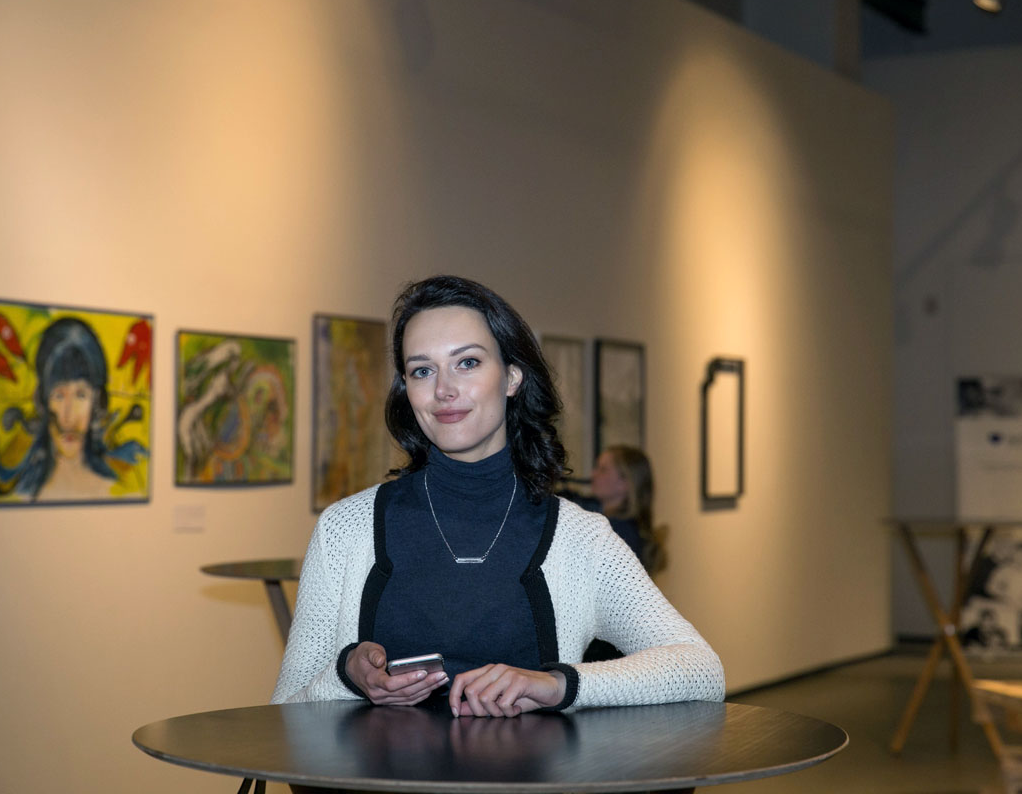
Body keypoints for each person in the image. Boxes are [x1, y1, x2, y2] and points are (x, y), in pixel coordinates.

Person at [271, 275, 723, 717]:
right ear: (406, 390)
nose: (444, 390)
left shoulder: (580, 538)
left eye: (467, 363)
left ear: (511, 377)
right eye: (422, 370)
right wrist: (348, 675)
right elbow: (284, 713)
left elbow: (700, 671)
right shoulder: (345, 529)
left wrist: (557, 685)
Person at [0, 316, 147, 501]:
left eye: (81, 395)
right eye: (59, 395)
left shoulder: (120, 490)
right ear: (42, 400)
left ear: (97, 401)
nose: (69, 418)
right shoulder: (21, 494)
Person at [589, 445, 666, 576]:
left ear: (624, 483)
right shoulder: (630, 528)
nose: (593, 474)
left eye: (603, 470)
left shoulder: (618, 531)